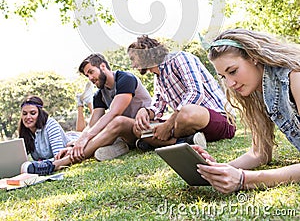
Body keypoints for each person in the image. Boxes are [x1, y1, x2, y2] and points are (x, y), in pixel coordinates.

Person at [194, 28, 300, 193]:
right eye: (223, 76)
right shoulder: (257, 94)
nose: (230, 84)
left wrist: (243, 180)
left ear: (254, 57)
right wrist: (217, 170)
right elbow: (260, 154)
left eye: (233, 71)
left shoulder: (295, 77)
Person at [21, 53, 152, 175]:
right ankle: (117, 148)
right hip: (125, 135)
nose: (90, 78)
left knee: (118, 121)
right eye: (87, 75)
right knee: (91, 139)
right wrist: (77, 143)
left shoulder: (125, 78)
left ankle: (56, 165)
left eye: (91, 72)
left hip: (144, 128)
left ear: (102, 66)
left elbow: (113, 113)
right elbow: (92, 125)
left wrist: (85, 138)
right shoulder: (99, 95)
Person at [127, 35, 236, 152]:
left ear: (144, 54)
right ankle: (188, 141)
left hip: (220, 120)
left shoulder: (180, 58)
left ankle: (164, 143)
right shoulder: (158, 77)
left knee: (187, 112)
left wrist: (168, 125)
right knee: (139, 130)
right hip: (184, 125)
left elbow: (196, 92)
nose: (133, 65)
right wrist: (145, 112)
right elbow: (157, 108)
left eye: (133, 59)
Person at [19, 95, 80, 161]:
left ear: (40, 113)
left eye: (33, 113)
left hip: (76, 141)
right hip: (68, 135)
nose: (28, 117)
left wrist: (39, 165)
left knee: (82, 130)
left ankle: (80, 103)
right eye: (24, 114)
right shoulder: (25, 132)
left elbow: (58, 157)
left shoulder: (50, 124)